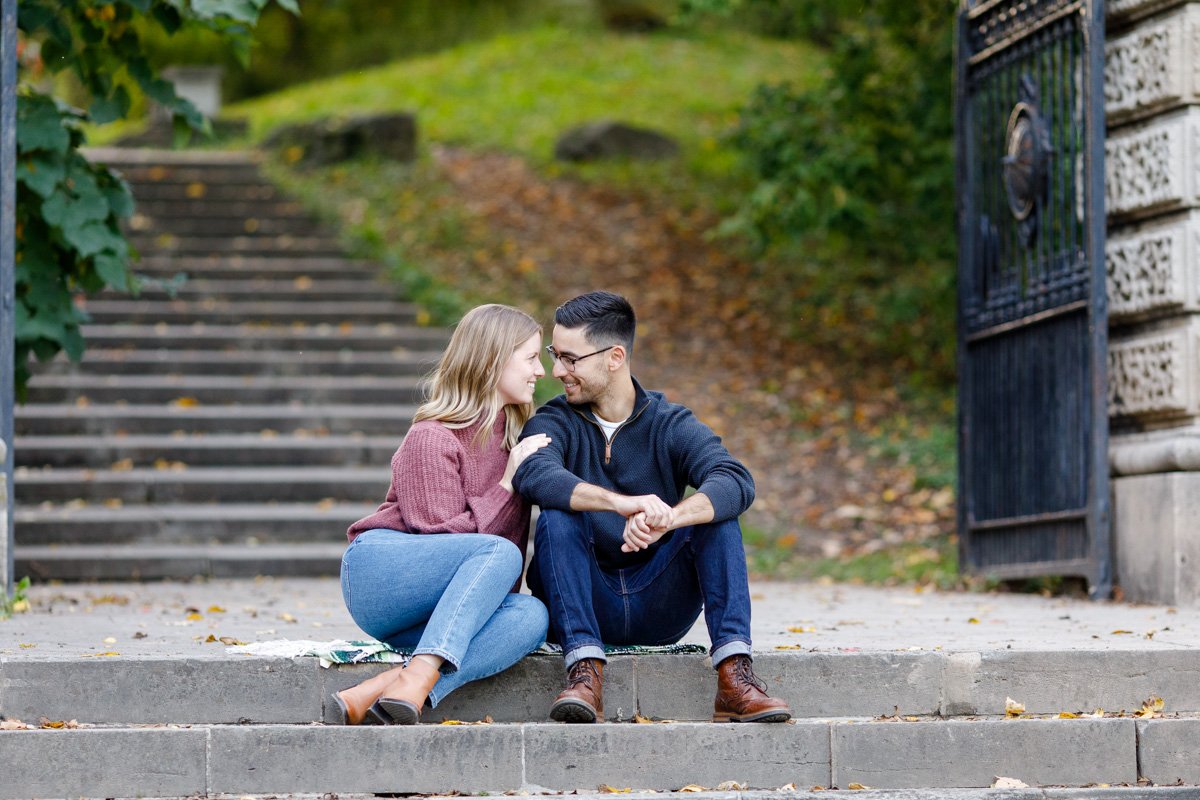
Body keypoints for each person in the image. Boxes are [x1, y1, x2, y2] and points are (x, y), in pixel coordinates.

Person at [512, 291, 790, 724]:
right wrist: (620, 504)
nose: (556, 370)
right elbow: (533, 474)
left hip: (660, 601)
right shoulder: (554, 421)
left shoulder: (669, 422)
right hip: (584, 599)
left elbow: (735, 479)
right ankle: (584, 672)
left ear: (614, 356)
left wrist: (670, 518)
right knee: (557, 513)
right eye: (554, 355)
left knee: (716, 517)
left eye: (570, 358)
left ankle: (735, 676)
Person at [333, 304, 551, 725]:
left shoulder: (512, 439)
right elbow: (437, 539)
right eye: (530, 357)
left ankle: (399, 684)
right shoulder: (431, 437)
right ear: (491, 360)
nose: (540, 371)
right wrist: (506, 485)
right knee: (501, 554)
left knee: (531, 616)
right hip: (382, 576)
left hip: (435, 613)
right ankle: (414, 676)